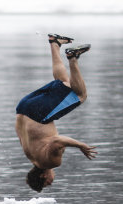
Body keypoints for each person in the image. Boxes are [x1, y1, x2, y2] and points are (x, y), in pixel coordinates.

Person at [15, 33, 97, 192]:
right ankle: (55, 43)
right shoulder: (31, 156)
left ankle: (73, 57)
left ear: (42, 177)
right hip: (22, 109)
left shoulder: (49, 162)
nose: (52, 181)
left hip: (37, 114)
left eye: (49, 183)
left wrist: (81, 146)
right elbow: (20, 131)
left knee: (80, 95)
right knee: (64, 82)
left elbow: (56, 141)